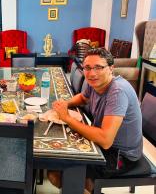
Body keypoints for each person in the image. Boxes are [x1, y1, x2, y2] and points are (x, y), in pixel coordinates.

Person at [48, 48, 142, 193]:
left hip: (120, 155)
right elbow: (82, 97)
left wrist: (66, 117)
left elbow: (105, 140)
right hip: (105, 145)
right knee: (54, 159)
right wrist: (66, 104)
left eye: (99, 67)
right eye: (87, 68)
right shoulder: (96, 84)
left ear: (111, 68)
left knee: (58, 173)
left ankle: (87, 189)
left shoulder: (117, 92)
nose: (92, 73)